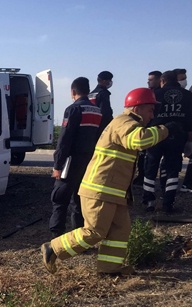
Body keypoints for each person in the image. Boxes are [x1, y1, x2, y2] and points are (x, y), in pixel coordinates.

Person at [41, 88, 176, 276]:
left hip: (114, 192)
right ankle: (53, 249)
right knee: (94, 231)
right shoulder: (124, 122)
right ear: (137, 108)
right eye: (150, 110)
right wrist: (166, 130)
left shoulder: (129, 123)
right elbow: (138, 141)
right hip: (101, 190)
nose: (152, 114)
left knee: (120, 232)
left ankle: (109, 269)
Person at [48, 77, 102, 238]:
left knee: (60, 197)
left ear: (73, 91)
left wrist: (58, 165)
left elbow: (65, 140)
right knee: (80, 200)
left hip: (71, 161)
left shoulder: (73, 109)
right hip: (89, 161)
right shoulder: (97, 110)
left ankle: (56, 235)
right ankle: (79, 236)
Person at [142, 70, 192, 212]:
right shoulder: (188, 96)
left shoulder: (155, 94)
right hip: (177, 137)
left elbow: (148, 115)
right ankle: (168, 204)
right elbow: (190, 120)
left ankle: (149, 201)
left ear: (162, 81)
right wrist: (189, 141)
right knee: (172, 171)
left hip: (155, 134)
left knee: (150, 169)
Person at [134, 70, 163, 186]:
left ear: (159, 80)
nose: (148, 82)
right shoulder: (147, 93)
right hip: (145, 127)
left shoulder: (161, 94)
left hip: (155, 128)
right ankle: (141, 176)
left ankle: (148, 178)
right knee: (141, 156)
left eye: (151, 80)